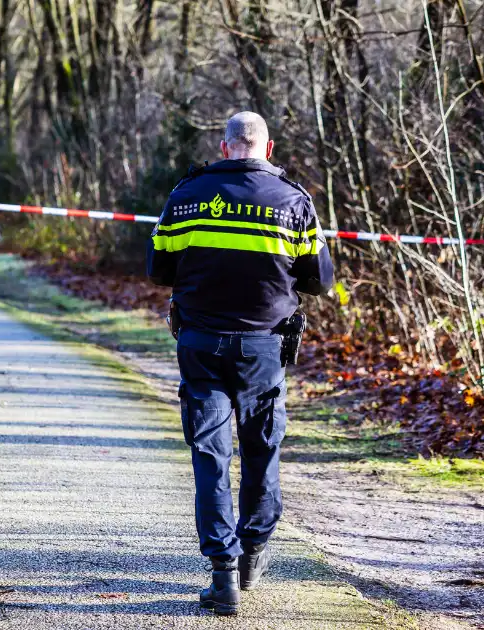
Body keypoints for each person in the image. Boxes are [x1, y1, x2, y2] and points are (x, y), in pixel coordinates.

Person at [146, 111, 334, 616]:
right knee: (261, 449)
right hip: (264, 349)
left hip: (200, 343)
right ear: (267, 149)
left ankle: (221, 575)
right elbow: (320, 280)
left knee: (210, 456)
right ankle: (253, 553)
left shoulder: (185, 196)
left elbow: (158, 269)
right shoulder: (294, 201)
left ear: (225, 146)